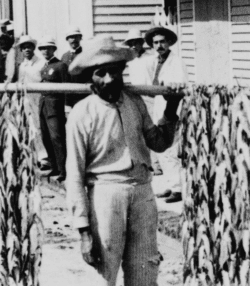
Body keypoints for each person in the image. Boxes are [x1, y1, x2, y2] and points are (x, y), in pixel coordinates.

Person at [65, 35, 183, 286]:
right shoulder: (81, 114)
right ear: (90, 77)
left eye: (114, 72)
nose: (109, 79)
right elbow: (74, 175)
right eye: (101, 73)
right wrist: (84, 231)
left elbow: (159, 143)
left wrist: (171, 107)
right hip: (106, 194)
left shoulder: (134, 103)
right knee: (103, 269)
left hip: (142, 191)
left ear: (122, 72)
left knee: (145, 266)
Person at [145, 26, 189, 203]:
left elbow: (178, 84)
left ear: (169, 43)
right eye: (155, 43)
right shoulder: (155, 61)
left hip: (172, 107)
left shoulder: (176, 61)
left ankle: (178, 189)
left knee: (170, 148)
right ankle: (171, 184)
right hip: (159, 105)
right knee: (161, 147)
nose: (159, 45)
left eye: (162, 42)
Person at [123, 28, 162, 175]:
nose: (133, 46)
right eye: (130, 44)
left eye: (136, 43)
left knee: (153, 129)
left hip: (151, 96)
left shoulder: (151, 57)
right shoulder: (131, 60)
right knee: (139, 130)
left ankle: (157, 164)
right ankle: (147, 162)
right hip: (136, 97)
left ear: (141, 43)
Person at [37, 38, 69, 179]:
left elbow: (66, 87)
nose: (45, 51)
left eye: (48, 48)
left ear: (54, 49)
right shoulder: (44, 67)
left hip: (55, 107)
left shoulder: (60, 66)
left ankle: (64, 170)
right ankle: (54, 167)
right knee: (46, 138)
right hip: (44, 107)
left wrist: (67, 106)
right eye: (42, 48)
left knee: (57, 138)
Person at [17, 35, 47, 161]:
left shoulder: (41, 63)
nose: (27, 50)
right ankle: (34, 155)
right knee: (29, 126)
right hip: (26, 99)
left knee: (40, 126)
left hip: (38, 97)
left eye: (29, 47)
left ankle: (44, 156)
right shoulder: (22, 65)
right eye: (24, 48)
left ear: (33, 48)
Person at [61, 25, 91, 107]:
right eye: (71, 37)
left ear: (80, 38)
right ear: (67, 40)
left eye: (76, 37)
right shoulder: (64, 57)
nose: (73, 40)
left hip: (84, 95)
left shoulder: (86, 54)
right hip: (68, 98)